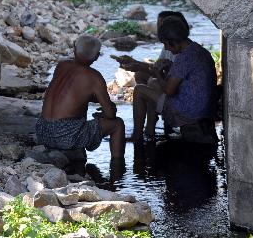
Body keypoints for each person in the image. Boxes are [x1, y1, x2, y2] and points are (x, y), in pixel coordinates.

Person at [37, 34, 126, 159]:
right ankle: (117, 168)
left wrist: (99, 102)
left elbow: (72, 94)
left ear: (74, 48)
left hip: (43, 131)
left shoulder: (61, 66)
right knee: (117, 124)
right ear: (96, 57)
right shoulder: (94, 77)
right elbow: (111, 116)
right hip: (65, 136)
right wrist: (108, 108)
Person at [132, 16, 218, 144]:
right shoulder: (198, 50)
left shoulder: (184, 57)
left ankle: (137, 136)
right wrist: (169, 68)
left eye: (166, 44)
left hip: (188, 112)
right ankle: (149, 131)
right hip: (204, 108)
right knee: (153, 84)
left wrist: (157, 72)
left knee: (139, 90)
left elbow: (169, 91)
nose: (166, 48)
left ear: (174, 41)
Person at [120, 11, 191, 139]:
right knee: (142, 75)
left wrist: (156, 73)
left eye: (163, 26)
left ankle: (142, 132)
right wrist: (136, 64)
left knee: (145, 87)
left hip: (179, 97)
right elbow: (158, 67)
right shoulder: (171, 45)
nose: (160, 30)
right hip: (173, 87)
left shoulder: (181, 53)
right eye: (159, 26)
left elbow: (169, 86)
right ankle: (150, 122)